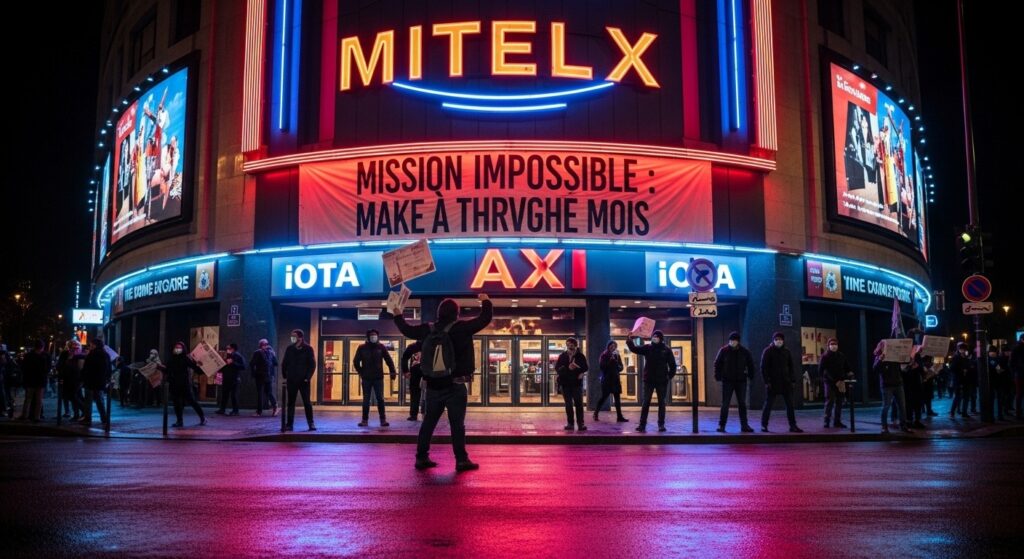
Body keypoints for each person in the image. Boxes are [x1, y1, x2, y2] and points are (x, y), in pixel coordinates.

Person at [395, 293, 493, 471]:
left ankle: (421, 457)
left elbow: (407, 330)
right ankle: (461, 460)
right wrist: (485, 300)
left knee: (429, 423)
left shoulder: (428, 329)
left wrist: (397, 314)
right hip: (456, 385)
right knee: (457, 425)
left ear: (438, 313)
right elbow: (484, 318)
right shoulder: (462, 328)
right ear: (456, 313)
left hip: (433, 386)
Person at [627, 329, 677, 433]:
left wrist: (669, 376)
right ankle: (642, 425)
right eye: (653, 336)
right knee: (646, 402)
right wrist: (629, 340)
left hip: (661, 381)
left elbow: (673, 365)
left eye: (657, 336)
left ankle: (661, 425)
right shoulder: (648, 348)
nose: (655, 338)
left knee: (661, 403)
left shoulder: (666, 350)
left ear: (661, 338)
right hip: (649, 380)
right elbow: (634, 349)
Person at [759, 332, 803, 433]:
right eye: (777, 339)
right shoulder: (768, 351)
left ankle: (793, 426)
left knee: (790, 406)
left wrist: (792, 380)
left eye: (780, 339)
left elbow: (791, 366)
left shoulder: (786, 352)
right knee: (768, 405)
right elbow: (763, 368)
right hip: (773, 383)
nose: (779, 341)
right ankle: (764, 425)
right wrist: (767, 381)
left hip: (786, 383)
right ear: (773, 340)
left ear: (783, 341)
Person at [713, 332, 756, 433]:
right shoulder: (723, 351)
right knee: (725, 404)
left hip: (741, 381)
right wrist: (718, 376)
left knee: (742, 404)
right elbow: (717, 364)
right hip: (727, 381)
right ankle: (722, 425)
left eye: (734, 340)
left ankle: (744, 425)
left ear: (738, 341)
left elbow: (750, 364)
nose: (732, 342)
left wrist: (751, 375)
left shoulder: (744, 352)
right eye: (731, 340)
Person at [353, 329, 397, 427]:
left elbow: (388, 360)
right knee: (366, 399)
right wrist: (361, 372)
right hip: (366, 378)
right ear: (368, 337)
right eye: (372, 335)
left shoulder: (381, 347)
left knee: (380, 399)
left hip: (378, 378)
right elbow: (356, 362)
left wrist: (392, 371)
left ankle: (383, 420)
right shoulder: (362, 348)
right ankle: (364, 420)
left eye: (375, 335)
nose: (374, 336)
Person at [158, 342, 207, 427]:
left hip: (184, 384)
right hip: (174, 384)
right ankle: (179, 421)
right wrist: (160, 368)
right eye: (176, 347)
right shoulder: (171, 359)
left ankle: (202, 418)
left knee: (192, 401)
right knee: (177, 404)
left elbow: (195, 368)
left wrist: (202, 367)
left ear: (183, 349)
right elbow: (168, 370)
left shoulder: (185, 358)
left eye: (179, 348)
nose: (177, 349)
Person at [281, 329, 317, 431]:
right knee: (291, 403)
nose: (292, 338)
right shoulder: (289, 349)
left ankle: (311, 423)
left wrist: (307, 377)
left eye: (294, 336)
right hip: (291, 379)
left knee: (307, 402)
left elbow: (312, 364)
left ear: (300, 337)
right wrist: (285, 375)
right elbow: (284, 362)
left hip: (303, 380)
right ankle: (289, 424)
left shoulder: (308, 348)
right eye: (291, 336)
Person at [874, 340, 911, 433]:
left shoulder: (895, 357)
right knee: (886, 406)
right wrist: (880, 360)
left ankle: (903, 425)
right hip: (887, 386)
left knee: (902, 406)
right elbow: (875, 369)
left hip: (898, 384)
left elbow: (902, 367)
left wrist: (909, 359)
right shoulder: (879, 357)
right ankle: (884, 427)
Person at [555, 337, 588, 432]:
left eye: (572, 344)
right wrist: (567, 367)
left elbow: (585, 367)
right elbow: (558, 368)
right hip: (565, 384)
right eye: (568, 344)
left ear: (575, 345)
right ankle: (570, 423)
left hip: (577, 384)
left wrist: (579, 371)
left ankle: (581, 424)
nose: (570, 346)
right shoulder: (562, 356)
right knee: (568, 405)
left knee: (579, 404)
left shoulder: (580, 356)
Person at [818, 337, 853, 428]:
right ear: (828, 345)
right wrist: (824, 380)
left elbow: (847, 367)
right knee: (829, 402)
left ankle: (837, 421)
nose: (834, 346)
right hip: (829, 383)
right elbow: (821, 370)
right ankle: (827, 421)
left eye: (835, 344)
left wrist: (849, 373)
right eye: (832, 344)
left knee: (839, 402)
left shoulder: (841, 356)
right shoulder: (825, 356)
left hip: (840, 382)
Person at [80, 338, 112, 427]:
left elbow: (86, 368)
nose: (90, 346)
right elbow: (109, 369)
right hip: (100, 381)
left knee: (88, 401)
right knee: (100, 400)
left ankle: (87, 418)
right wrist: (106, 378)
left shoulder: (92, 355)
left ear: (95, 345)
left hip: (90, 381)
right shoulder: (106, 355)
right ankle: (104, 418)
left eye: (91, 344)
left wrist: (83, 378)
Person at [594, 341, 628, 423]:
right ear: (608, 346)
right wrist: (610, 361)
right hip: (607, 380)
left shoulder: (617, 355)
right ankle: (596, 413)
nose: (613, 347)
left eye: (614, 346)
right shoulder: (604, 355)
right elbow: (602, 367)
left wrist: (615, 362)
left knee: (617, 399)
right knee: (604, 397)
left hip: (615, 380)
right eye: (611, 346)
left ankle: (619, 417)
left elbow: (621, 368)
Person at [17, 340, 48, 422]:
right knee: (39, 400)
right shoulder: (45, 356)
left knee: (28, 399)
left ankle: (25, 415)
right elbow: (47, 369)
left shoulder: (28, 356)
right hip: (40, 380)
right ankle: (37, 416)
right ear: (43, 347)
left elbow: (23, 367)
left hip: (30, 380)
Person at [56, 340, 86, 420]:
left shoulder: (80, 356)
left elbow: (82, 368)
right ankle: (77, 414)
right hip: (67, 379)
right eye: (72, 346)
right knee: (73, 397)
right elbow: (59, 365)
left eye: (76, 346)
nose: (74, 348)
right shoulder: (65, 354)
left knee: (74, 396)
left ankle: (83, 411)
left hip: (77, 379)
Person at [249, 339, 279, 417]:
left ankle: (259, 412)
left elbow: (252, 364)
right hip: (268, 376)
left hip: (260, 376)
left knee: (260, 393)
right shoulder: (271, 353)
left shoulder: (257, 352)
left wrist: (253, 374)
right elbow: (276, 363)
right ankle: (275, 407)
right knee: (268, 393)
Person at [215, 343, 245, 416]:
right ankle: (222, 409)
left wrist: (233, 362)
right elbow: (224, 367)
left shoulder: (238, 356)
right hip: (226, 378)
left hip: (234, 379)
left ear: (233, 349)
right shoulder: (226, 356)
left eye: (229, 348)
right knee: (224, 394)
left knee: (234, 395)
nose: (227, 350)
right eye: (227, 348)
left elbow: (243, 366)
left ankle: (235, 410)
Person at [948, 343, 974, 418]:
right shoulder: (956, 357)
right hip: (958, 380)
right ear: (959, 349)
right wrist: (962, 370)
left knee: (966, 397)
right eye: (961, 349)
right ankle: (952, 412)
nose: (963, 351)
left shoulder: (966, 358)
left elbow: (970, 366)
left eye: (964, 349)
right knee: (958, 397)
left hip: (966, 380)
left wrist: (969, 369)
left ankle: (964, 412)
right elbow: (952, 368)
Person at [401, 341, 423, 421]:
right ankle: (413, 414)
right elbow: (404, 358)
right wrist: (405, 371)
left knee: (430, 393)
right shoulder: (412, 346)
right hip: (415, 374)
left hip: (428, 373)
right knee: (414, 394)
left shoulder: (430, 344)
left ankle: (427, 413)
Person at [1012, 340, 1024, 420]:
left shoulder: (1016, 349)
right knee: (1019, 394)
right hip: (1020, 374)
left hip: (1019, 374)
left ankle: (1018, 413)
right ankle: (1018, 413)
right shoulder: (1017, 349)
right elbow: (1012, 363)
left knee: (1019, 395)